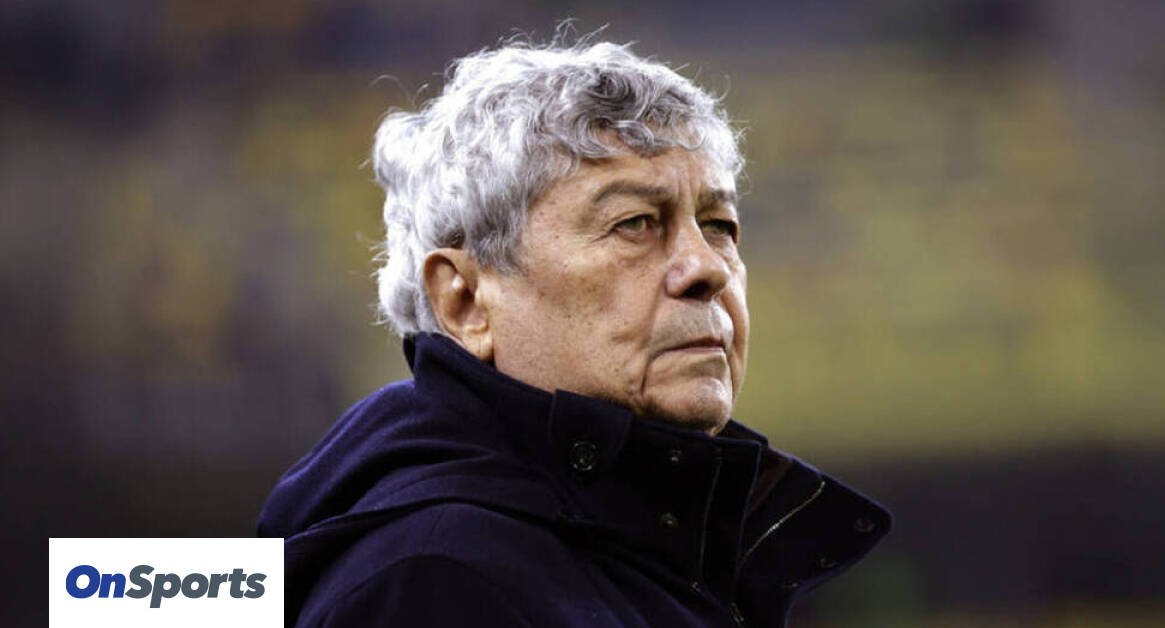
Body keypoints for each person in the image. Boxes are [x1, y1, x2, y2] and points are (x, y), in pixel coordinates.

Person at [258, 36, 891, 628]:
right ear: (466, 301)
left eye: (719, 226)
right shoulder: (434, 582)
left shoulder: (624, 555)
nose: (707, 268)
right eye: (635, 223)